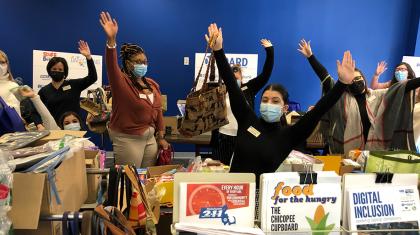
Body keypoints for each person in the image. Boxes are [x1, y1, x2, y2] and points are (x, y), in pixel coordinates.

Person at [206, 23, 354, 181]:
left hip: (261, 198)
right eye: (265, 99)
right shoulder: (247, 120)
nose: (268, 103)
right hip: (233, 192)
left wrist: (342, 84)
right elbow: (231, 84)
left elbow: (319, 110)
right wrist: (218, 51)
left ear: (284, 108)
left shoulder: (289, 135)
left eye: (275, 101)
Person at [298, 39, 420, 154]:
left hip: (371, 152)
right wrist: (310, 57)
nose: (356, 81)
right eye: (352, 80)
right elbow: (325, 77)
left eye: (359, 78)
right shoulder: (341, 98)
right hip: (343, 152)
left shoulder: (376, 95)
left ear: (364, 79)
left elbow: (400, 89)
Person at [99, 12, 169, 168]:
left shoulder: (152, 84)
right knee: (130, 181)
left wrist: (161, 136)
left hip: (150, 139)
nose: (142, 64)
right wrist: (111, 41)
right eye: (138, 62)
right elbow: (111, 66)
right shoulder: (121, 83)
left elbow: (158, 112)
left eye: (145, 61)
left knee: (146, 179)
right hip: (127, 139)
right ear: (128, 63)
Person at [213, 39, 274, 165]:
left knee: (241, 170)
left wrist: (270, 51)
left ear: (242, 76)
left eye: (237, 75)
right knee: (222, 170)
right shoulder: (220, 91)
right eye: (231, 76)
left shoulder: (249, 88)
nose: (234, 78)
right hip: (223, 137)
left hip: (243, 136)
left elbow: (266, 74)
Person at [38, 40, 98, 122]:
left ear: (65, 71)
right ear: (49, 70)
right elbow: (37, 110)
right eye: (54, 69)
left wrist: (88, 58)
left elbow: (93, 77)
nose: (57, 71)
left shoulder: (74, 85)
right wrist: (39, 124)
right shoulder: (44, 91)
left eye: (60, 69)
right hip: (54, 129)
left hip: (74, 128)